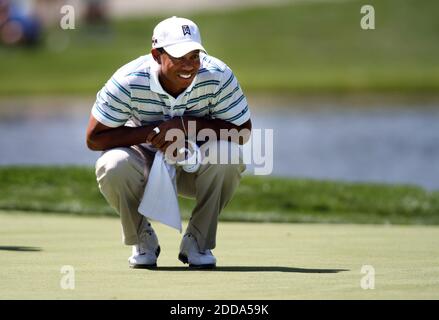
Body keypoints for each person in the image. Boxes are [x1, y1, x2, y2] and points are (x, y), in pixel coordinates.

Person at [86, 16, 252, 269]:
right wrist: (154, 133)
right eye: (179, 57)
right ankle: (142, 239)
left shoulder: (217, 75)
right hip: (143, 165)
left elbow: (242, 132)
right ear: (156, 54)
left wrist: (185, 126)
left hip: (195, 167)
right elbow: (94, 138)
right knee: (113, 164)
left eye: (194, 56)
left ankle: (197, 241)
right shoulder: (129, 80)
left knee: (228, 155)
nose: (189, 65)